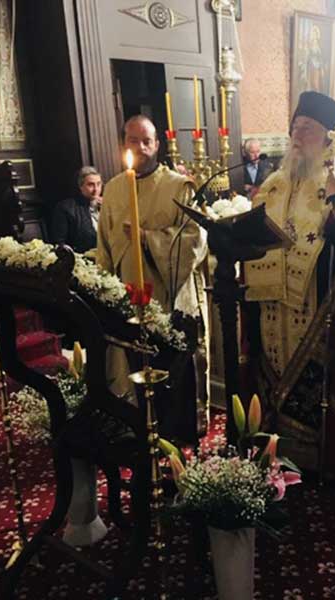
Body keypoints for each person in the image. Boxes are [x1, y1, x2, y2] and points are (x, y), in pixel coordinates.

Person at [243, 91, 335, 490]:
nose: (298, 136)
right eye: (295, 128)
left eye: (307, 129)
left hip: (317, 305)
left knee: (312, 380)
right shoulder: (273, 184)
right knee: (270, 371)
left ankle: (316, 458)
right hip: (271, 303)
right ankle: (273, 447)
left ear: (328, 138)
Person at [97, 114, 208, 443]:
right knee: (130, 363)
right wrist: (104, 291)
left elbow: (195, 241)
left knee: (172, 371)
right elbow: (104, 246)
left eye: (147, 141)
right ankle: (134, 426)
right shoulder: (113, 189)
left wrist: (148, 238)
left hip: (168, 296)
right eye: (133, 140)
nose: (141, 147)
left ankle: (176, 434)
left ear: (158, 144)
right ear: (123, 144)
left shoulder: (179, 186)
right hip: (127, 296)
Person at [51, 166, 102, 253]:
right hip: (83, 257)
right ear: (81, 186)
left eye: (98, 184)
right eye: (91, 185)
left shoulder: (108, 205)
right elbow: (60, 243)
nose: (96, 189)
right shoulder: (65, 208)